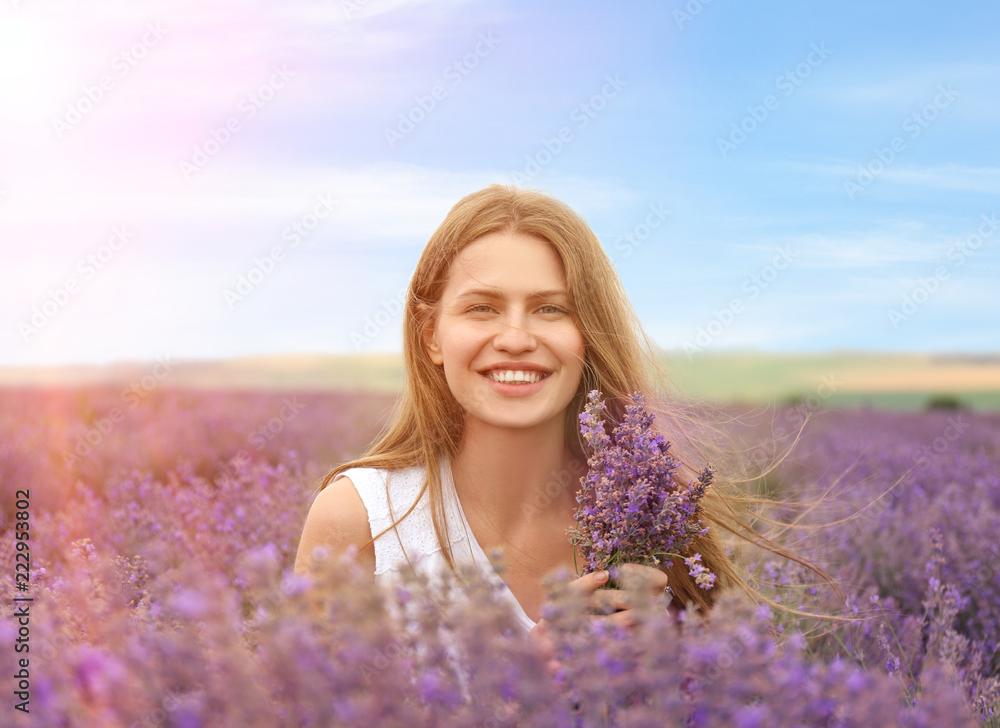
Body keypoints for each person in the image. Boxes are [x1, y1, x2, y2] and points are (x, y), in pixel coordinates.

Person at [293, 184, 828, 647]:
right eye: (482, 307)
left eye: (552, 308)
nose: (516, 339)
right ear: (431, 335)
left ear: (588, 335)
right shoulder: (363, 521)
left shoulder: (651, 521)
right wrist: (521, 689)